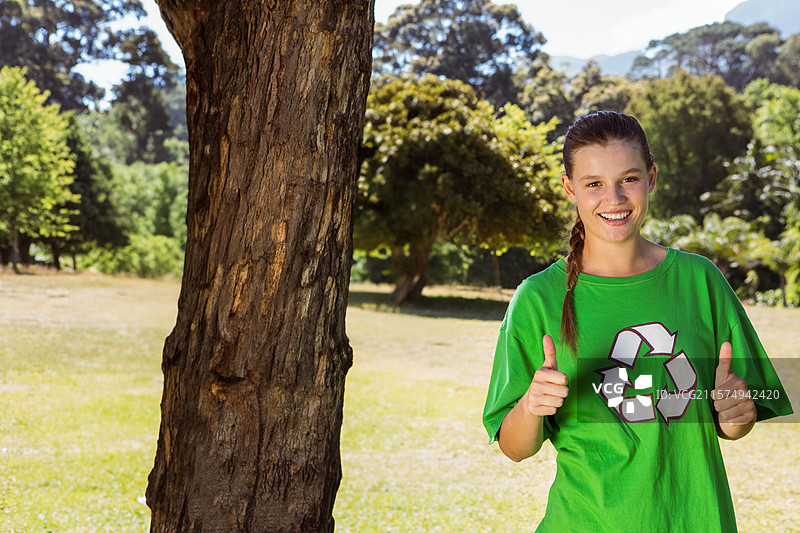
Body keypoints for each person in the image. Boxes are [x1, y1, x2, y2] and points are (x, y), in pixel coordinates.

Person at [482, 111, 793, 532]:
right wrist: (532, 405)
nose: (614, 198)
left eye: (628, 178)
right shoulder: (538, 298)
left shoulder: (700, 282)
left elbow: (736, 423)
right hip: (585, 521)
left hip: (694, 520)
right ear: (569, 188)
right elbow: (514, 448)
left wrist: (737, 412)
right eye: (593, 184)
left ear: (651, 178)